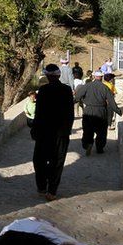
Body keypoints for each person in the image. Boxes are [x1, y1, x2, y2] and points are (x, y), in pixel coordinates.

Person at [30, 63, 75, 201]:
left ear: (47, 76)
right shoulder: (67, 90)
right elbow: (70, 113)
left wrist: (34, 129)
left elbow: (38, 113)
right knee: (57, 161)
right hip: (61, 133)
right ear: (59, 75)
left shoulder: (43, 91)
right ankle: (52, 191)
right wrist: (67, 130)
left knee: (39, 160)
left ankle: (42, 186)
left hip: (44, 133)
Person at [74, 71, 122, 155]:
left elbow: (77, 97)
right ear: (102, 77)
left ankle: (88, 144)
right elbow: (111, 102)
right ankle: (99, 148)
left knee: (88, 130)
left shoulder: (87, 86)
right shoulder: (105, 87)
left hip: (88, 110)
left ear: (93, 77)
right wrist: (119, 112)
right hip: (101, 111)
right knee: (101, 131)